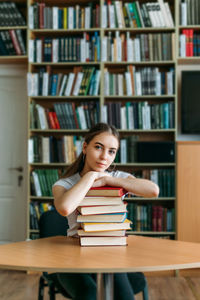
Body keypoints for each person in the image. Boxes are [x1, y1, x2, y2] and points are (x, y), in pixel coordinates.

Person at [53, 122, 159, 300]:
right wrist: (91, 176)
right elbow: (65, 208)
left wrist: (109, 180)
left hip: (111, 253)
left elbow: (153, 191)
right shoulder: (65, 184)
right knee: (90, 294)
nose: (104, 157)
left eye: (111, 151)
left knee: (124, 296)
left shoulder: (119, 178)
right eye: (98, 147)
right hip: (73, 255)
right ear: (85, 147)